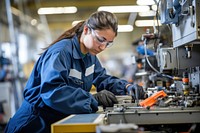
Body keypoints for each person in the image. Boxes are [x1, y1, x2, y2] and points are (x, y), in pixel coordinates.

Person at [5, 11, 146, 133]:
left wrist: (126, 87)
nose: (103, 47)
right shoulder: (61, 52)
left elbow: (101, 78)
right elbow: (52, 91)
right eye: (100, 39)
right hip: (33, 123)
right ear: (86, 30)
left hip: (57, 120)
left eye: (108, 43)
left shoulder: (90, 56)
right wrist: (92, 99)